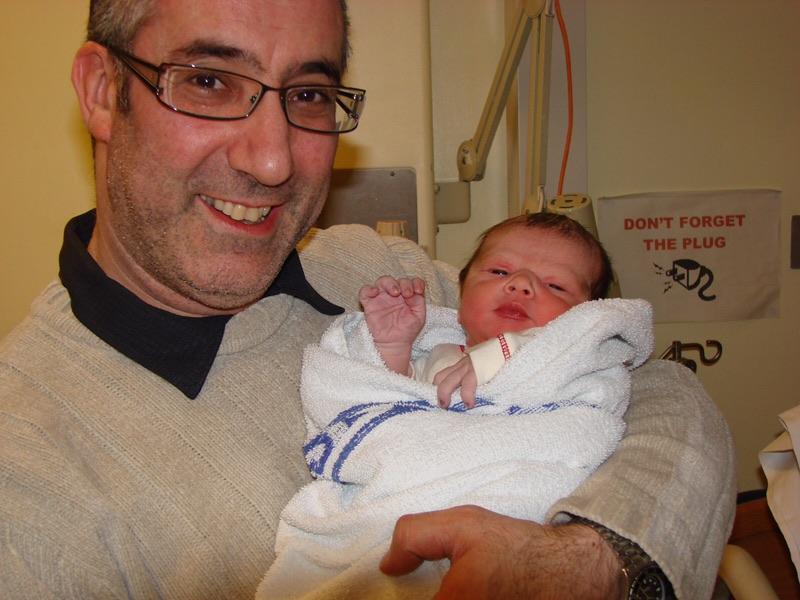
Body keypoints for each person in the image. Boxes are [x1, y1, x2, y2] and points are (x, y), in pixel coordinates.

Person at [0, 1, 735, 599]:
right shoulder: (28, 469)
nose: (273, 158)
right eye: (209, 81)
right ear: (102, 92)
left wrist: (597, 559)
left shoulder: (371, 268)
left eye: (309, 95)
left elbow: (655, 384)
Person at [257, 213, 655, 599]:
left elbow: (579, 353)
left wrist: (507, 351)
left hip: (511, 513)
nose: (520, 284)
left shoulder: (579, 363)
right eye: (499, 272)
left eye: (555, 285)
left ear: (586, 314)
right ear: (463, 294)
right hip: (406, 511)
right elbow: (391, 400)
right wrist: (394, 347)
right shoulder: (440, 352)